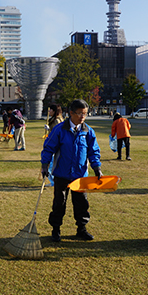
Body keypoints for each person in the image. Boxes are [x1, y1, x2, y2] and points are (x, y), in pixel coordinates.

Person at [41, 99, 102, 242]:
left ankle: (81, 229)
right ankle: (56, 230)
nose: (82, 117)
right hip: (61, 174)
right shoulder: (59, 129)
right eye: (80, 113)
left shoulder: (88, 131)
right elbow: (48, 148)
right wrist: (44, 165)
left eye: (85, 114)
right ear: (71, 113)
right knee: (59, 203)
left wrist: (97, 168)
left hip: (80, 176)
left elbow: (93, 152)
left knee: (81, 203)